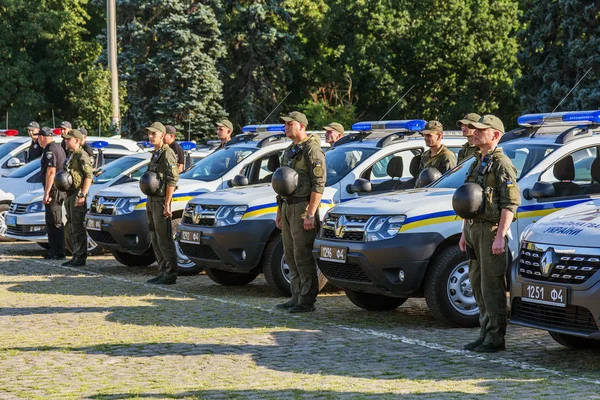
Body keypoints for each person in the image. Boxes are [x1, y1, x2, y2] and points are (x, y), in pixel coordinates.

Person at [458, 115, 521, 353]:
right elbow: (470, 201)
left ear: (495, 134)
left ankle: (496, 338)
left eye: (480, 130)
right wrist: (465, 232)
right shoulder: (477, 161)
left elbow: (510, 203)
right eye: (473, 129)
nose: (474, 132)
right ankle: (484, 332)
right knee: (477, 284)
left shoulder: (502, 164)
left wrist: (500, 236)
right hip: (474, 229)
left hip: (491, 230)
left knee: (491, 286)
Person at [275, 111, 326, 313]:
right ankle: (295, 294)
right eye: (285, 124)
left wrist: (311, 213)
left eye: (290, 124)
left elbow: (318, 184)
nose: (286, 127)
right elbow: (283, 182)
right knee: (290, 253)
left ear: (302, 126)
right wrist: (279, 211)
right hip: (287, 206)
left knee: (302, 254)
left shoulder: (312, 150)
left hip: (302, 207)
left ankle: (306, 299)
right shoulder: (291, 150)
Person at [145, 122, 180, 285]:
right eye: (149, 134)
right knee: (154, 235)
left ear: (162, 135)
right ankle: (162, 270)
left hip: (160, 201)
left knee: (164, 237)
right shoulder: (155, 153)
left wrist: (167, 203)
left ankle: (170, 272)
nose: (151, 137)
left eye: (154, 134)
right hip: (151, 199)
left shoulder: (167, 153)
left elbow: (172, 179)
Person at [61, 129, 94, 267]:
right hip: (70, 195)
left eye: (69, 139)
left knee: (78, 227)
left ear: (77, 140)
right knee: (72, 227)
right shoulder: (73, 155)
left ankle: (80, 257)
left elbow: (89, 176)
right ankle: (75, 254)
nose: (66, 141)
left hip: (77, 195)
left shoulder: (82, 156)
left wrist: (82, 194)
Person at [39, 127, 67, 260]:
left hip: (54, 190)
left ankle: (58, 252)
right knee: (52, 220)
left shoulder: (50, 150)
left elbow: (51, 171)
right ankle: (54, 250)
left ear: (42, 137)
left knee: (55, 221)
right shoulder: (58, 147)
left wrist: (47, 192)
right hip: (58, 189)